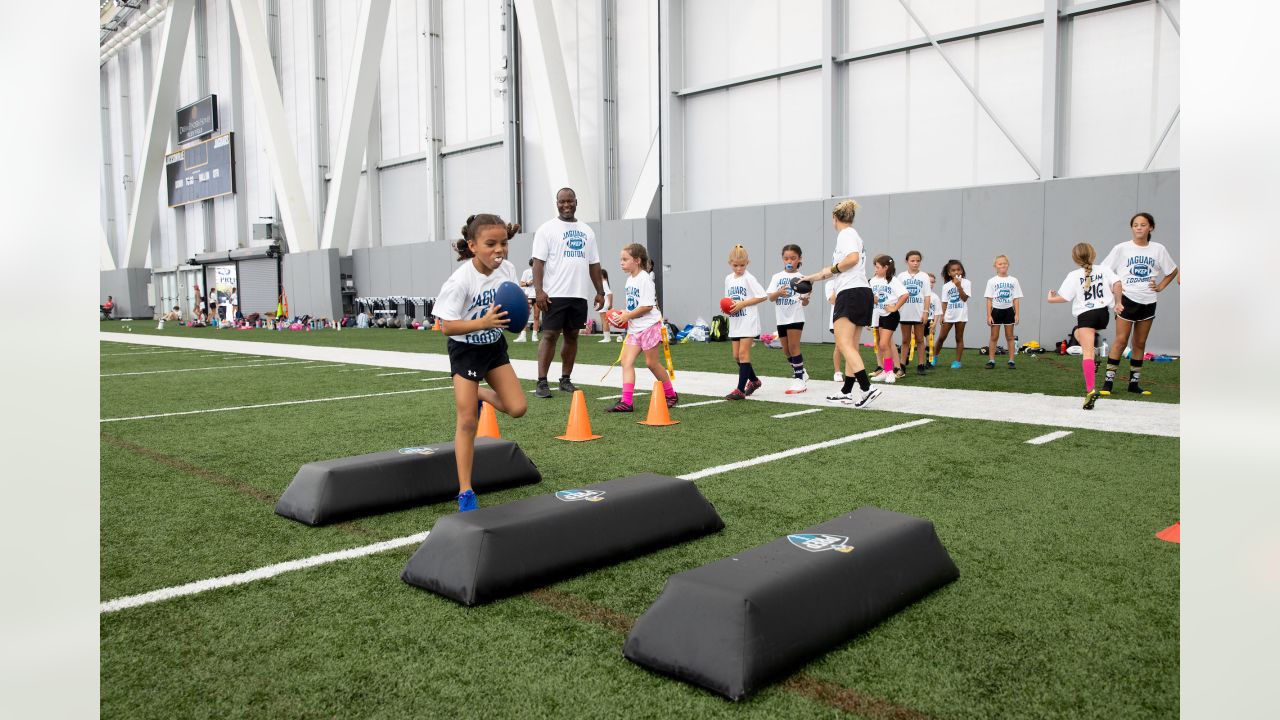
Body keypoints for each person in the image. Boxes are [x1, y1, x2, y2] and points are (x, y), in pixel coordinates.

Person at [434, 213, 528, 512]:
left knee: (517, 408)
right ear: (473, 246)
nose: (499, 249)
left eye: (503, 243)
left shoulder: (509, 270)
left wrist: (516, 317)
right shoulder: (460, 280)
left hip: (493, 348)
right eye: (491, 244)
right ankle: (465, 490)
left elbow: (510, 307)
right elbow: (447, 326)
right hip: (466, 352)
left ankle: (476, 393)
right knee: (467, 422)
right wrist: (482, 322)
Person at [797, 199, 881, 408]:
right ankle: (846, 391)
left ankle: (866, 388)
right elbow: (835, 269)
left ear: (835, 219)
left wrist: (833, 269)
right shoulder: (854, 235)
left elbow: (850, 260)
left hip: (851, 293)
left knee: (843, 344)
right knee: (851, 346)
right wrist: (810, 278)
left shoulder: (846, 235)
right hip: (862, 291)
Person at [531, 188, 606, 398]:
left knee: (572, 336)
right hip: (554, 294)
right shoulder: (546, 229)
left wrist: (600, 291)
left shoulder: (587, 231)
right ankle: (542, 382)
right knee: (550, 335)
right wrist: (539, 291)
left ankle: (565, 379)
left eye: (569, 201)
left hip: (578, 294)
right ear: (557, 203)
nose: (566, 205)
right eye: (562, 202)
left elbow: (594, 264)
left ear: (576, 202)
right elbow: (538, 263)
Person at [1098, 212, 1179, 395]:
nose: (1139, 228)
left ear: (1151, 227)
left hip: (1148, 300)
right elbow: (1104, 271)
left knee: (1140, 342)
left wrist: (1160, 286)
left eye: (1143, 225)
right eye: (1136, 225)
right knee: (1120, 341)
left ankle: (1134, 384)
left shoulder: (1158, 249)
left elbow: (1173, 271)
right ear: (1132, 228)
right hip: (1127, 300)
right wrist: (1115, 289)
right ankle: (1108, 383)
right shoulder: (1121, 248)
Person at [1047, 242, 1124, 410]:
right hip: (1103, 314)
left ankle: (1090, 390)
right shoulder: (1104, 269)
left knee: (1086, 352)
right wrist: (1118, 303)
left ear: (1075, 259)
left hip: (1086, 315)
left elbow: (1065, 298)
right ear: (1094, 254)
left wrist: (1051, 298)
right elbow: (1118, 284)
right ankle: (1094, 358)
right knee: (1078, 335)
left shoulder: (1074, 275)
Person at [606, 244, 678, 411]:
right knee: (626, 361)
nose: (621, 263)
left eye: (625, 259)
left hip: (650, 326)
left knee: (651, 363)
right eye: (620, 259)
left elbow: (647, 306)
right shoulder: (630, 279)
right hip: (635, 328)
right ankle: (627, 402)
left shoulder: (645, 278)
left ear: (637, 261)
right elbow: (634, 305)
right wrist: (624, 313)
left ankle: (671, 395)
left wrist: (627, 316)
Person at [722, 245, 768, 399]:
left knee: (743, 353)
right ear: (730, 263)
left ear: (747, 263)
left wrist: (742, 304)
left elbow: (762, 296)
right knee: (736, 356)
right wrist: (726, 307)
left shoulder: (749, 278)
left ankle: (740, 390)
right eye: (735, 265)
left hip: (748, 320)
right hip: (736, 320)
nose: (739, 268)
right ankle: (754, 381)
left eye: (742, 265)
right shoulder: (728, 279)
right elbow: (729, 300)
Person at [767, 244, 810, 394]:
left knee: (793, 347)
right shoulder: (776, 277)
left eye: (793, 258)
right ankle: (801, 371)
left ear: (799, 259)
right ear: (782, 259)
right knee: (786, 351)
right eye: (786, 258)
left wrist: (805, 299)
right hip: (781, 318)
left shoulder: (803, 279)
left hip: (796, 317)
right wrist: (778, 292)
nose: (789, 261)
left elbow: (805, 302)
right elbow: (770, 298)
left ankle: (799, 380)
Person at [868, 255, 909, 385]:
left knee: (884, 344)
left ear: (886, 268)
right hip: (879, 315)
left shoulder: (893, 280)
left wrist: (895, 307)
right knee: (881, 343)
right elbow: (873, 297)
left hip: (891, 316)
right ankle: (886, 371)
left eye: (878, 267)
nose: (875, 269)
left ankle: (890, 372)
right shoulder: (873, 280)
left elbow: (905, 295)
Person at [983, 255, 1023, 370]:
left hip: (1009, 310)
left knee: (1010, 336)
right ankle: (991, 360)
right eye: (1000, 263)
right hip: (996, 310)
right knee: (994, 336)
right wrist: (989, 315)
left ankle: (1011, 360)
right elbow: (989, 300)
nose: (1002, 265)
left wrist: (1017, 314)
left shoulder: (1013, 280)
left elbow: (1016, 299)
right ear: (995, 266)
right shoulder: (992, 281)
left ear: (1008, 264)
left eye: (1005, 263)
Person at [897, 250, 932, 378]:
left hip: (919, 313)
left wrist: (926, 312)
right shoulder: (901, 276)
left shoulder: (924, 276)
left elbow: (927, 296)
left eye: (918, 261)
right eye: (912, 261)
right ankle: (902, 366)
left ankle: (921, 365)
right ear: (907, 261)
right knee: (905, 340)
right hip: (905, 313)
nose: (915, 263)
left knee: (920, 340)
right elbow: (898, 295)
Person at [936, 259, 971, 369]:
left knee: (959, 338)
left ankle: (957, 361)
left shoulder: (967, 283)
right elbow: (945, 302)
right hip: (949, 315)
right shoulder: (946, 286)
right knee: (941, 337)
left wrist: (959, 286)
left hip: (961, 315)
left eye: (958, 270)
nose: (956, 272)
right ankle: (934, 357)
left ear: (962, 271)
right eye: (953, 270)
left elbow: (964, 298)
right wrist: (943, 315)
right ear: (949, 273)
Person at [517, 259, 539, 342]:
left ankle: (534, 336)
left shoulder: (541, 272)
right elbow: (521, 283)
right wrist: (528, 283)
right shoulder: (526, 272)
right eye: (534, 263)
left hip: (537, 296)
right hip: (528, 296)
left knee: (536, 316)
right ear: (531, 264)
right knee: (525, 315)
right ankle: (523, 336)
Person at [924, 273, 942, 367]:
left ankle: (929, 361)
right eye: (928, 282)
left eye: (932, 282)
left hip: (930, 321)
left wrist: (934, 323)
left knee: (929, 342)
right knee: (913, 341)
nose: (930, 284)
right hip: (919, 322)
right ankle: (906, 359)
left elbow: (937, 312)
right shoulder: (920, 294)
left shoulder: (935, 297)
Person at [598, 269, 615, 343]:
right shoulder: (604, 282)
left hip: (605, 304)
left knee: (604, 321)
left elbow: (610, 294)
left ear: (602, 275)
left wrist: (610, 304)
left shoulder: (604, 283)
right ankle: (607, 337)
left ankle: (607, 338)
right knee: (605, 321)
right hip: (604, 304)